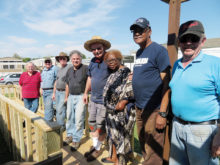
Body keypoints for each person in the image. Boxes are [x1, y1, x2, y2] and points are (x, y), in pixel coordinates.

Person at [168, 20, 220, 165]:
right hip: (177, 126)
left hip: (203, 131)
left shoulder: (215, 64)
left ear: (202, 41)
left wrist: (219, 136)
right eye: (184, 39)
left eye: (194, 39)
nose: (188, 43)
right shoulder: (177, 65)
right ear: (179, 42)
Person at [130, 17, 170, 165]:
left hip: (154, 109)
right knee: (144, 145)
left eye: (140, 30)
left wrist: (163, 113)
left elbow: (167, 83)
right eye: (134, 31)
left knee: (153, 152)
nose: (137, 33)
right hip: (140, 107)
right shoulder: (139, 52)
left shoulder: (159, 51)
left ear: (149, 31)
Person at [101, 50, 136, 165]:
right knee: (112, 136)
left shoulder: (126, 72)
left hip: (121, 111)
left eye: (113, 59)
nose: (110, 62)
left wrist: (124, 101)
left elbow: (130, 89)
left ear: (119, 59)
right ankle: (113, 157)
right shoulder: (113, 72)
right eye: (107, 61)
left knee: (121, 137)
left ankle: (120, 162)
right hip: (111, 110)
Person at [83, 36, 111, 162]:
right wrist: (85, 93)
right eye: (93, 49)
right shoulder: (93, 62)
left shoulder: (110, 59)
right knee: (92, 124)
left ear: (103, 47)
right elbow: (90, 78)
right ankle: (95, 146)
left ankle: (98, 149)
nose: (96, 51)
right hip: (93, 99)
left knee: (101, 126)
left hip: (104, 101)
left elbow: (120, 74)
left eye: (98, 48)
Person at [63, 50, 88, 151]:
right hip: (70, 96)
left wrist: (86, 94)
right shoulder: (69, 70)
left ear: (81, 59)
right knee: (69, 117)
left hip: (81, 96)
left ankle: (76, 139)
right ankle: (69, 135)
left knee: (78, 118)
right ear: (71, 60)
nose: (75, 60)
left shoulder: (85, 68)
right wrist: (66, 96)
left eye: (77, 58)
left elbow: (89, 81)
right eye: (73, 59)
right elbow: (67, 84)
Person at [52, 52, 71, 130]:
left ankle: (61, 127)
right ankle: (60, 125)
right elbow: (56, 81)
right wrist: (54, 93)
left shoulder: (69, 67)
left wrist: (66, 96)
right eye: (61, 58)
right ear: (58, 60)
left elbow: (69, 83)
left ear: (66, 59)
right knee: (58, 109)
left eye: (64, 58)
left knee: (61, 110)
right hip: (57, 92)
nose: (62, 60)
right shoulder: (59, 69)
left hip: (64, 92)